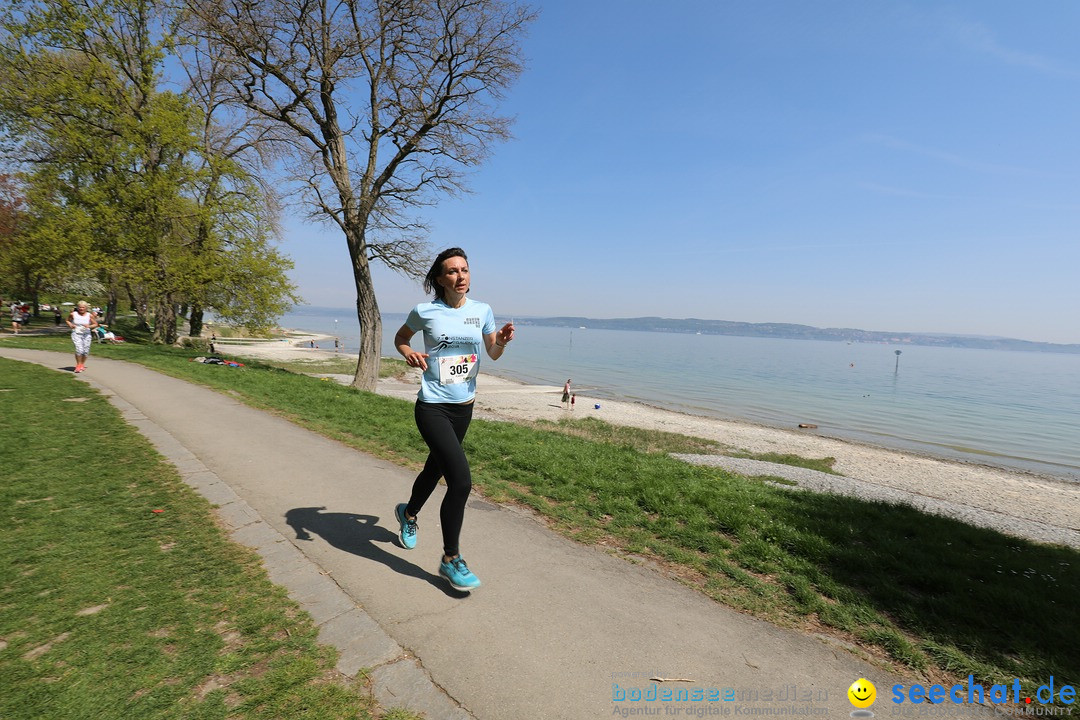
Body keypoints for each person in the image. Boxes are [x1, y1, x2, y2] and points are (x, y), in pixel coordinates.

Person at [392, 247, 514, 591]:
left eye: (464, 270)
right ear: (439, 279)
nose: (460, 276)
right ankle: (451, 559)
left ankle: (408, 513)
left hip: (465, 406)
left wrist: (502, 341)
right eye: (452, 271)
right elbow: (402, 337)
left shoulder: (482, 311)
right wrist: (409, 352)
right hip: (432, 405)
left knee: (436, 468)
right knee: (460, 481)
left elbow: (492, 352)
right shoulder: (425, 312)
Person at [66, 300, 98, 373]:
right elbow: (67, 320)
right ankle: (78, 365)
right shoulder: (73, 314)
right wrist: (71, 325)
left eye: (83, 307)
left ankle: (82, 364)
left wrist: (89, 326)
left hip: (86, 334)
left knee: (85, 351)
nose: (81, 309)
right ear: (77, 307)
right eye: (80, 307)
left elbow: (95, 324)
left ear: (86, 308)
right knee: (79, 349)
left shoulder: (89, 315)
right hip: (76, 333)